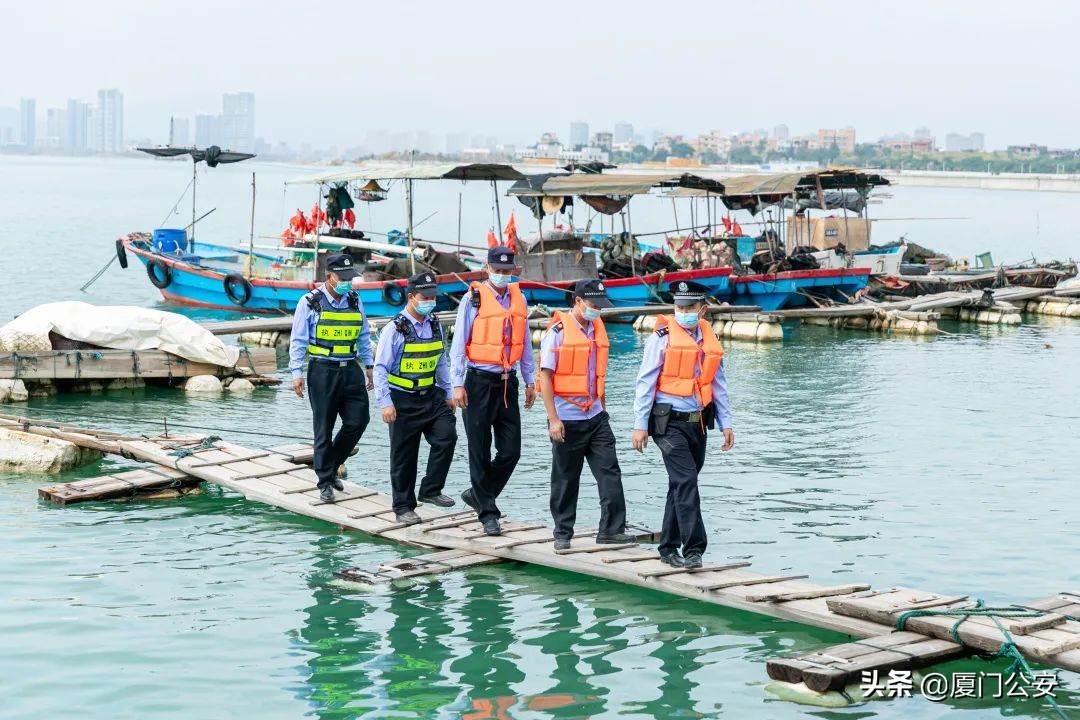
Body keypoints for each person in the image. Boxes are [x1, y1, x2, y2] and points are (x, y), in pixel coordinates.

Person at [631, 280, 735, 569]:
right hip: (667, 424)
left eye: (690, 308)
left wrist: (726, 423)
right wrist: (640, 425)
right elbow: (645, 382)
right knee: (686, 481)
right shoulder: (661, 338)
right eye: (680, 307)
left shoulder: (710, 339)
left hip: (698, 423)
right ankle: (694, 550)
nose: (684, 312)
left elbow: (718, 384)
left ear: (703, 309)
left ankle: (667, 548)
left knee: (680, 484)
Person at [449, 245, 537, 536]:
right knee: (479, 448)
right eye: (496, 269)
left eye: (506, 270)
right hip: (478, 381)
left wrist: (530, 380)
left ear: (513, 271)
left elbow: (524, 342)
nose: (501, 274)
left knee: (511, 450)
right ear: (487, 268)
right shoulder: (472, 299)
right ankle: (488, 514)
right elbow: (459, 343)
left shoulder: (519, 298)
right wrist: (457, 383)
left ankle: (479, 494)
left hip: (508, 382)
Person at [538, 279, 631, 551]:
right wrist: (553, 419)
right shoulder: (557, 332)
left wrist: (603, 406)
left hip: (596, 415)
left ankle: (611, 530)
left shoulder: (596, 328)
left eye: (601, 306)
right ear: (578, 301)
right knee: (566, 478)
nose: (597, 310)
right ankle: (562, 532)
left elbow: (596, 374)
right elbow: (545, 377)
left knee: (609, 472)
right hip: (567, 418)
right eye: (593, 305)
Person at [373, 272, 458, 524]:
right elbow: (380, 368)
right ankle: (403, 507)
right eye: (425, 297)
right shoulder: (395, 329)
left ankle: (431, 489)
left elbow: (440, 360)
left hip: (431, 395)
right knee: (404, 457)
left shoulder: (434, 324)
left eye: (433, 297)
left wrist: (448, 392)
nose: (430, 301)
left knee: (447, 436)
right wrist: (385, 403)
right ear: (411, 297)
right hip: (402, 400)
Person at [289, 253, 374, 503]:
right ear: (329, 276)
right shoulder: (309, 302)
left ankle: (333, 463)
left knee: (359, 420)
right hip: (322, 371)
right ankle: (325, 481)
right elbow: (298, 340)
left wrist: (369, 365)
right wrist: (296, 373)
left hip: (351, 369)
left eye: (350, 277)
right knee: (323, 428)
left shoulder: (355, 300)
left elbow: (363, 335)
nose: (348, 282)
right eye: (342, 277)